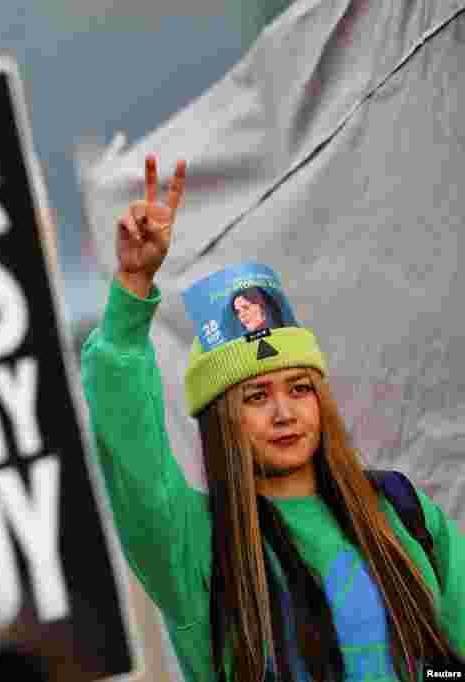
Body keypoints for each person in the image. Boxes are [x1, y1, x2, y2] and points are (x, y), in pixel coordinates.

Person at [80, 155, 463, 682]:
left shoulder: (401, 511)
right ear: (221, 423)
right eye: (256, 397)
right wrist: (132, 288)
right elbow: (133, 455)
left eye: (300, 388)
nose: (284, 412)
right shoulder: (194, 544)